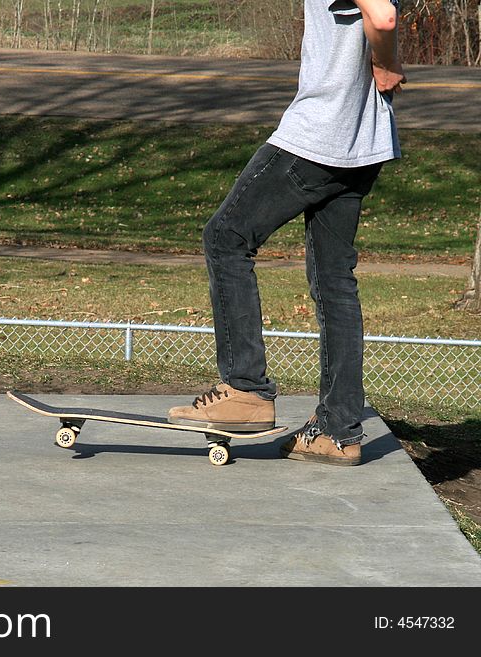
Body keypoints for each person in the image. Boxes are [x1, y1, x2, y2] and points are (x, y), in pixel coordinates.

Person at [167, 0, 406, 466]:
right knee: (335, 283)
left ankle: (245, 388)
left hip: (319, 136)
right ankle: (338, 431)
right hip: (364, 140)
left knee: (226, 237)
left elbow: (382, 16)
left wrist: (387, 62)